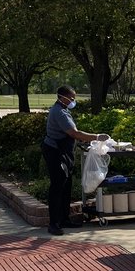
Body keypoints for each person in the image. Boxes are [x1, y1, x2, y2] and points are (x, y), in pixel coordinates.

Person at [41, 85, 103, 236]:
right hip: (55, 151)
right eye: (71, 98)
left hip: (63, 151)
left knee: (66, 184)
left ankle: (64, 218)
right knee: (57, 186)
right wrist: (97, 137)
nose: (73, 101)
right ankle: (54, 223)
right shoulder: (59, 112)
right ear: (62, 98)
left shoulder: (64, 110)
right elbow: (74, 133)